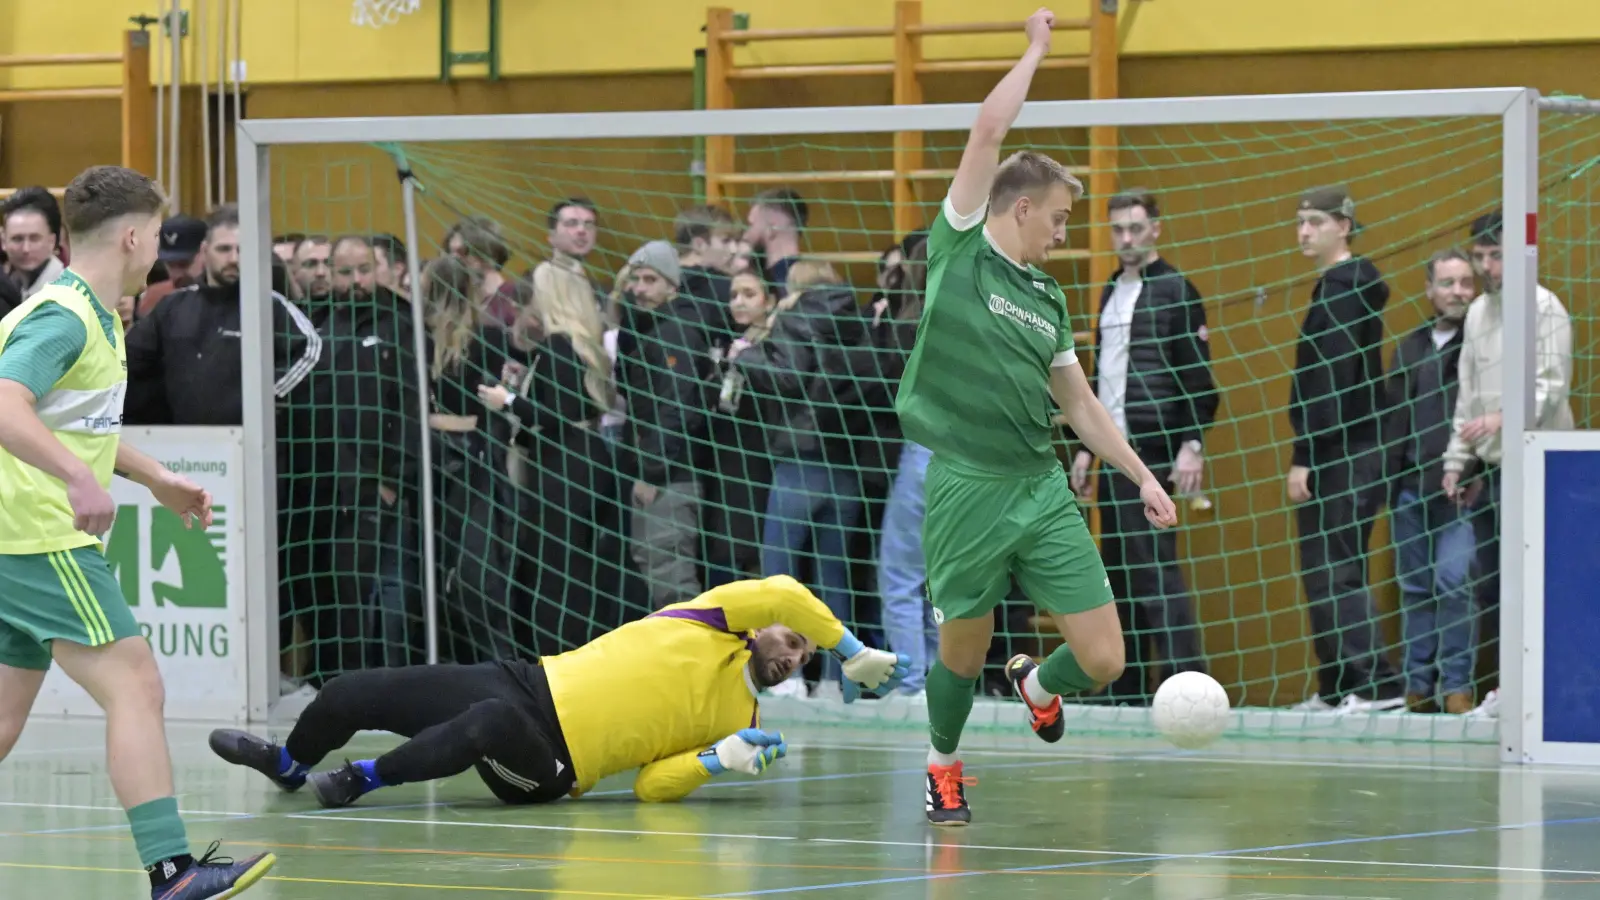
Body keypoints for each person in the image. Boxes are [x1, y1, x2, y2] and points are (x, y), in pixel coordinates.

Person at [891, 8, 1178, 826]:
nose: (1063, 232)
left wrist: (1141, 475)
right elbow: (988, 131)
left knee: (1104, 658)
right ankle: (942, 765)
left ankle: (1037, 684)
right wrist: (1038, 50)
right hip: (966, 488)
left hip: (1039, 488)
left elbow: (1081, 405)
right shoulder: (960, 247)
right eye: (1059, 217)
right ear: (1020, 208)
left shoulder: (1048, 299)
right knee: (961, 650)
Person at [0, 166, 274, 898]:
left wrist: (151, 475)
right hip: (38, 538)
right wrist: (78, 479)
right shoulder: (66, 316)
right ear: (132, 236)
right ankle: (172, 871)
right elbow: (5, 403)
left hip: (16, 537)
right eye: (156, 232)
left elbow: (66, 422)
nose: (157, 243)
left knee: (3, 713)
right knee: (136, 685)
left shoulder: (87, 310)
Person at [208, 576, 909, 806]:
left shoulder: (742, 712)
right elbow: (786, 590)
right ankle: (289, 765)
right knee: (355, 691)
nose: (795, 656)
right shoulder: (707, 617)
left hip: (552, 762)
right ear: (761, 630)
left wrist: (716, 760)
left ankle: (361, 778)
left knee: (484, 723)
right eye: (791, 640)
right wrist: (852, 651)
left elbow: (650, 788)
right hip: (529, 679)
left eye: (808, 656)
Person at [1285, 186, 1404, 713]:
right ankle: (1338, 687)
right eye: (1299, 222)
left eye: (1314, 221)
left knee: (1336, 566)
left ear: (1344, 226)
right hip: (1346, 447)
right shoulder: (1340, 286)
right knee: (1322, 565)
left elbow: (1330, 383)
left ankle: (1378, 685)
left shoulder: (1343, 289)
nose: (1304, 231)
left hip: (1345, 451)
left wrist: (1306, 453)